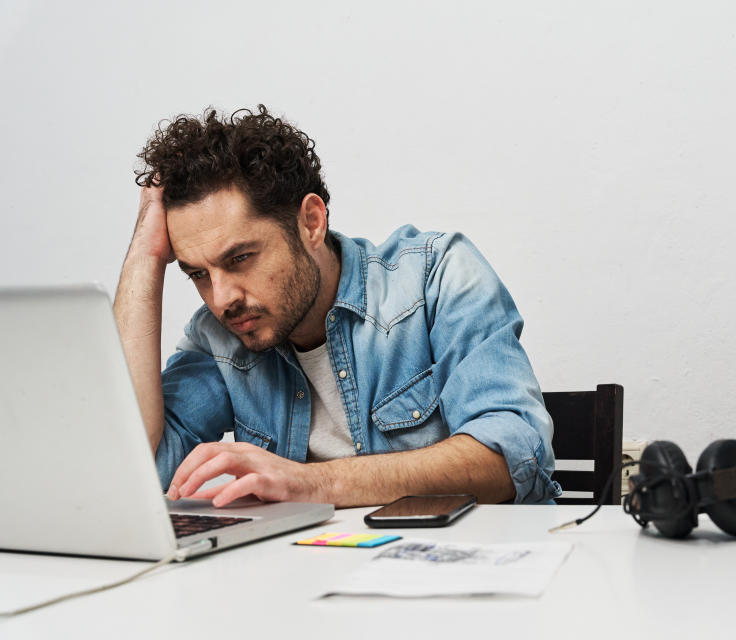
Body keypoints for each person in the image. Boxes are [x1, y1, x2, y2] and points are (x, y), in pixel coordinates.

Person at [114, 105, 560, 508]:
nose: (223, 297)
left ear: (311, 221)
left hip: (469, 572)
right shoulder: (219, 338)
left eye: (240, 258)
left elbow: (515, 455)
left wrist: (311, 484)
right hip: (312, 580)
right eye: (197, 274)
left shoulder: (435, 276)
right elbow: (133, 470)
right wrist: (143, 258)